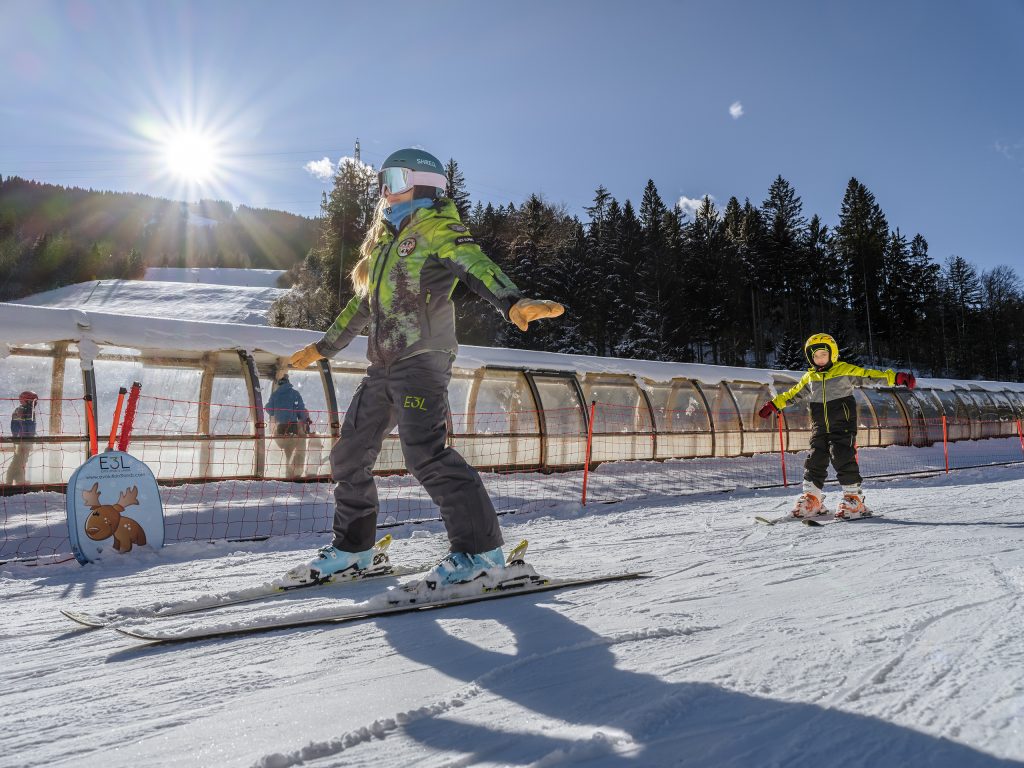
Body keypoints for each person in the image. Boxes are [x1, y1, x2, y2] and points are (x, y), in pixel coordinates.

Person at [286, 148, 563, 586]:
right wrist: (324, 347)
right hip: (383, 365)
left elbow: (474, 265)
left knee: (425, 453)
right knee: (350, 453)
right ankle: (354, 549)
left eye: (394, 180)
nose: (384, 191)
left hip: (422, 360)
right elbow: (364, 306)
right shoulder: (383, 247)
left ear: (426, 183)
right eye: (382, 182)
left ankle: (481, 553)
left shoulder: (438, 228)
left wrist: (512, 301)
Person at [758, 333, 915, 519]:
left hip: (843, 424)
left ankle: (853, 498)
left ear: (832, 354)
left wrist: (895, 377)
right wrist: (774, 404)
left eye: (823, 354)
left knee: (842, 456)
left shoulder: (844, 370)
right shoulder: (810, 377)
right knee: (815, 458)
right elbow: (794, 393)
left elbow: (869, 376)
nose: (819, 359)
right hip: (819, 426)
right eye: (815, 356)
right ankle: (812, 498)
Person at [265, 375, 311, 479]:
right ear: (288, 382)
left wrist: (268, 406)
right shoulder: (295, 394)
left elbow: (270, 411)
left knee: (286, 450)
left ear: (279, 384)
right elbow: (301, 410)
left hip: (281, 427)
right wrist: (304, 420)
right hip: (293, 426)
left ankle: (287, 473)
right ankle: (293, 473)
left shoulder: (275, 395)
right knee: (294, 449)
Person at [5, 390, 38, 487]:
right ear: (26, 400)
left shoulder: (26, 409)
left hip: (24, 439)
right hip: (23, 440)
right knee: (18, 461)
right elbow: (21, 426)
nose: (35, 402)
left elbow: (29, 426)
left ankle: (19, 481)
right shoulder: (25, 410)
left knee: (21, 461)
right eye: (33, 400)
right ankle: (9, 482)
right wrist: (23, 440)